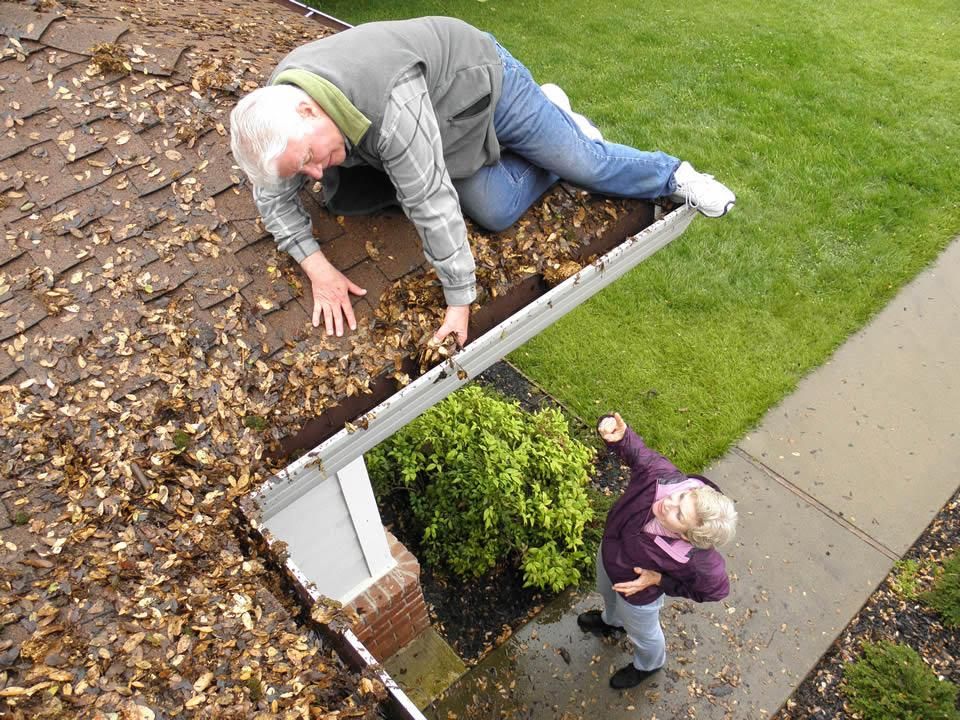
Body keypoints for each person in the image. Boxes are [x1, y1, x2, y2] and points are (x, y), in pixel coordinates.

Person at [230, 17, 736, 345]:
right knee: (494, 210)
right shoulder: (279, 116)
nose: (317, 175)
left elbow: (430, 201)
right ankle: (547, 121)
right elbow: (272, 196)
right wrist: (316, 267)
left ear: (308, 109)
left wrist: (459, 302)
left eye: (313, 158)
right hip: (440, 129)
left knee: (584, 163)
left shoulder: (391, 105)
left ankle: (672, 172)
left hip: (484, 85)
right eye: (304, 169)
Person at [582, 412, 737, 689]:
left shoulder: (698, 560)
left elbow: (715, 590)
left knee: (643, 634)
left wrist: (659, 581)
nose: (668, 504)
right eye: (680, 498)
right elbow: (640, 453)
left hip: (638, 593)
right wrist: (619, 434)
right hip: (609, 557)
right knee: (606, 593)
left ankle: (649, 664)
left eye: (679, 515)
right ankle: (611, 622)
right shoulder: (664, 480)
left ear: (688, 535)